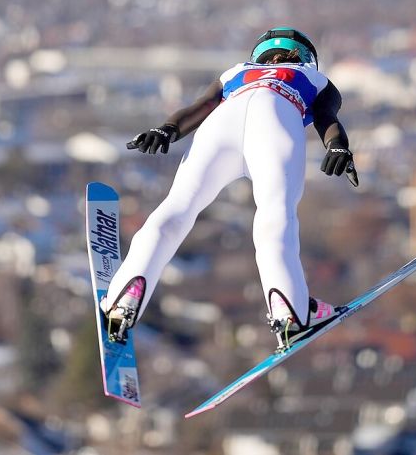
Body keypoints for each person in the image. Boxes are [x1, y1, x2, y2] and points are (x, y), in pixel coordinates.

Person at [101, 27, 357, 350]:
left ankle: (124, 297)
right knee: (274, 213)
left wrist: (166, 130)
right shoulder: (313, 78)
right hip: (276, 114)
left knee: (177, 208)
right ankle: (290, 309)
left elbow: (202, 106)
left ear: (259, 56)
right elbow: (326, 117)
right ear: (308, 58)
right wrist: (337, 146)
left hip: (222, 122)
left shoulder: (236, 72)